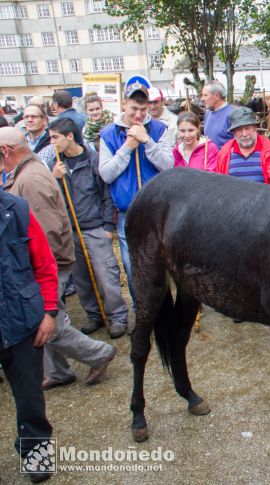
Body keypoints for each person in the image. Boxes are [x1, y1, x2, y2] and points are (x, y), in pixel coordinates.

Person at [1, 127, 117, 390]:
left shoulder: (30, 180)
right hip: (48, 261)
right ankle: (58, 371)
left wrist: (39, 271)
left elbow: (47, 230)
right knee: (41, 319)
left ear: (5, 151)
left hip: (49, 263)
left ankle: (98, 353)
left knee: (47, 321)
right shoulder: (27, 172)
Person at [48, 118, 129, 338]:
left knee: (106, 275)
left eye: (55, 137)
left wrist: (107, 225)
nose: (52, 142)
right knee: (82, 278)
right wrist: (55, 180)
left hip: (94, 228)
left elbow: (106, 194)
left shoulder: (93, 160)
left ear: (70, 136)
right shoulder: (55, 165)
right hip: (70, 230)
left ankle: (118, 317)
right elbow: (52, 199)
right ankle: (95, 315)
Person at [98, 81, 175, 307]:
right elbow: (106, 174)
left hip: (158, 212)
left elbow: (168, 166)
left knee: (162, 264)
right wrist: (128, 146)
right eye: (134, 109)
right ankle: (142, 309)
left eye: (143, 109)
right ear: (124, 104)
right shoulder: (108, 134)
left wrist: (147, 141)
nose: (139, 114)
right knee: (133, 267)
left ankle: (163, 311)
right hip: (127, 213)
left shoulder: (159, 129)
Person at [0, 189, 57, 484]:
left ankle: (35, 452)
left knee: (30, 398)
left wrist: (49, 311)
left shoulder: (18, 211)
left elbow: (45, 265)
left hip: (21, 319)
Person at [217, 107, 270, 183]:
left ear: (255, 128)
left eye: (247, 128)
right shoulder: (223, 155)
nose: (244, 134)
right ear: (234, 132)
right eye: (239, 129)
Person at [201, 80, 235, 149]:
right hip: (210, 158)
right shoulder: (208, 113)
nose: (202, 98)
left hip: (226, 158)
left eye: (205, 95)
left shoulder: (233, 114)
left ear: (217, 96)